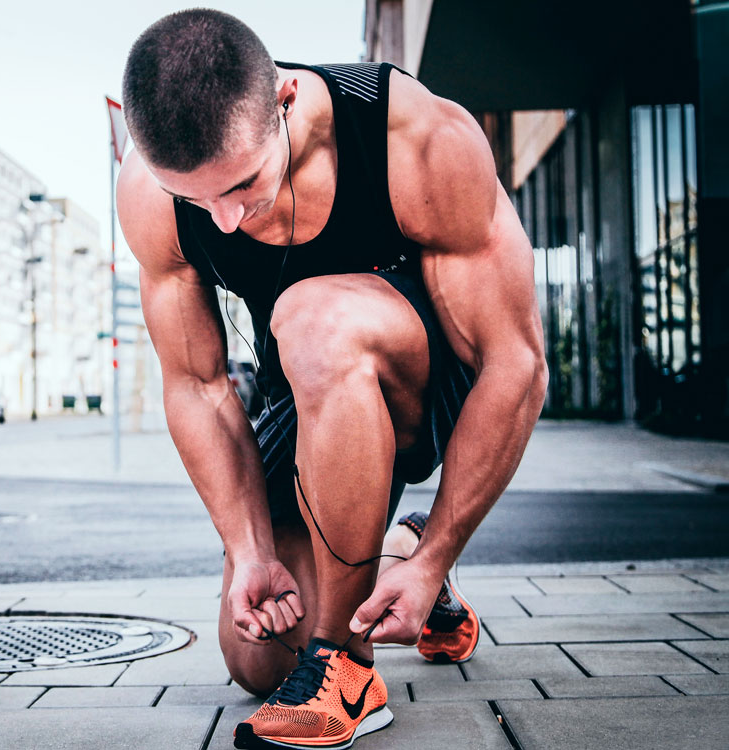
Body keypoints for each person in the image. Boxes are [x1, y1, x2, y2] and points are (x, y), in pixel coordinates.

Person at [116, 9, 547, 749]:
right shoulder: (151, 190)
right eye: (197, 200)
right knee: (257, 655)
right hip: (306, 390)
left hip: (425, 381)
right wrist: (248, 549)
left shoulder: (411, 135)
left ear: (284, 100)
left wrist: (449, 543)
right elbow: (198, 385)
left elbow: (516, 363)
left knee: (312, 317)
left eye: (243, 184)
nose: (222, 221)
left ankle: (346, 670)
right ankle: (396, 560)